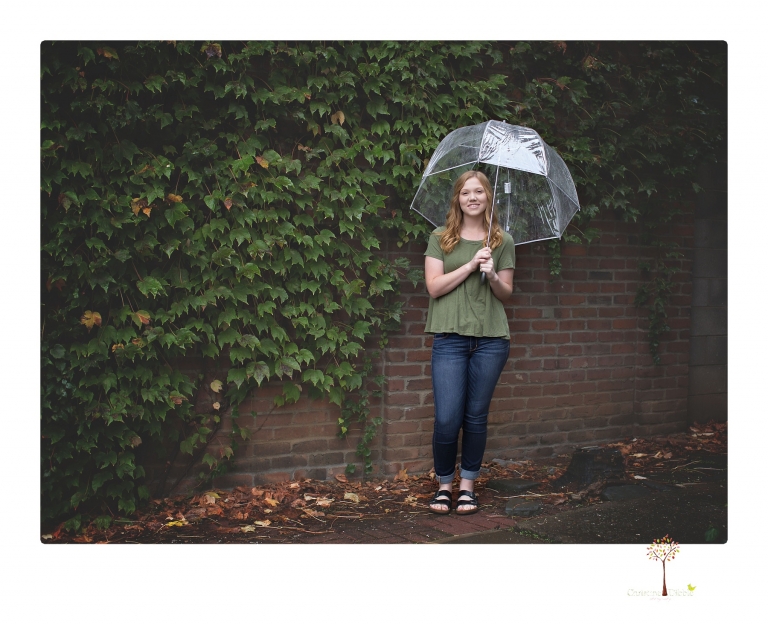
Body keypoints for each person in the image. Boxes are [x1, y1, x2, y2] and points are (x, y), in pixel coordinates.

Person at [423, 170, 515, 515]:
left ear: (488, 197)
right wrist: (470, 265)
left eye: (479, 192)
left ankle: (467, 487)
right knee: (447, 418)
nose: (472, 197)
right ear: (457, 199)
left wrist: (491, 273)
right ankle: (444, 485)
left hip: (491, 339)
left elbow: (506, 294)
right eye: (465, 193)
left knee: (475, 417)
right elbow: (434, 287)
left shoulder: (501, 240)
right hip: (449, 339)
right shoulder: (440, 238)